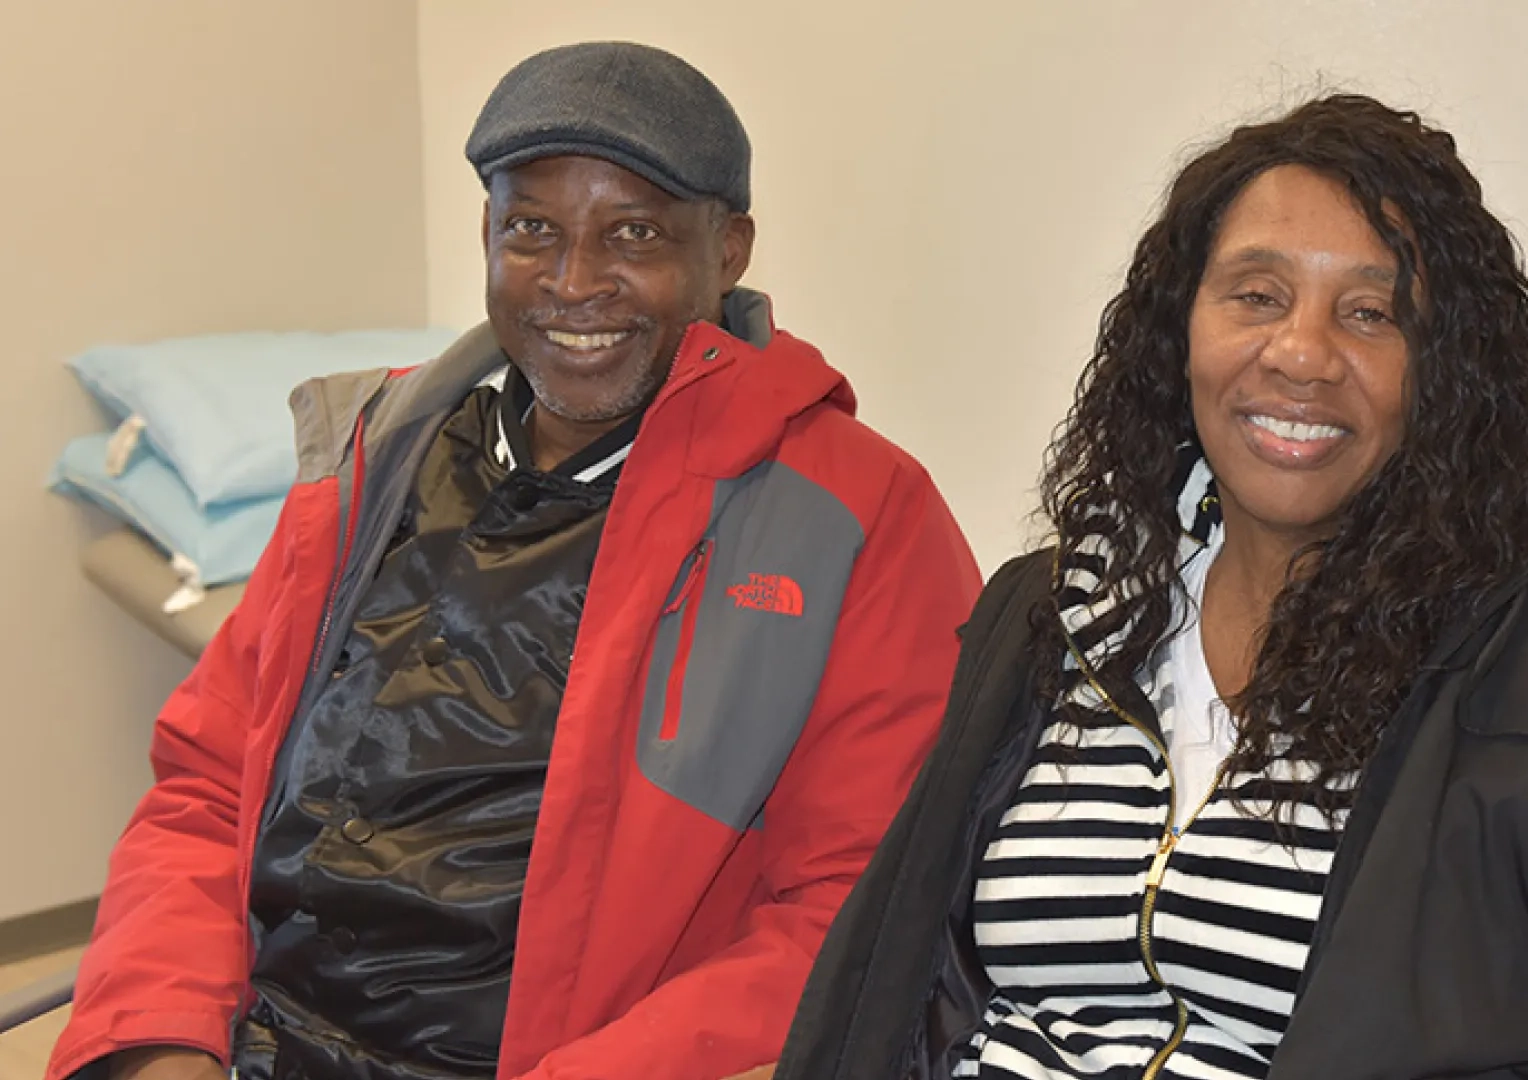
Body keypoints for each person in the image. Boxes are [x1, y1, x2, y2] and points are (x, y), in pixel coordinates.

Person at [771, 95, 1528, 1080]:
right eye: (1257, 294)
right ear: (1179, 329)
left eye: (1372, 315)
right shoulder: (1057, 613)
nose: (1301, 353)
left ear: (1449, 371)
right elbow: (885, 988)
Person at [49, 41, 980, 1080]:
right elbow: (209, 787)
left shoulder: (856, 519)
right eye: (532, 229)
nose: (575, 284)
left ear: (731, 249)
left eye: (634, 234)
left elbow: (859, 908)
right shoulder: (377, 460)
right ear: (487, 234)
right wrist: (156, 1036)